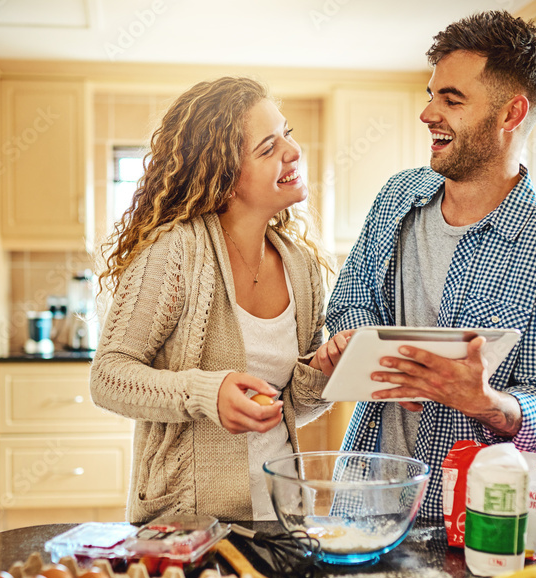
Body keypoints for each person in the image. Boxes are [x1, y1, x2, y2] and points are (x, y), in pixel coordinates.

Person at [326, 11, 536, 521]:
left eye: (451, 99)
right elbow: (349, 299)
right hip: (362, 497)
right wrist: (373, 357)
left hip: (473, 515)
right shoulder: (397, 198)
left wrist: (487, 400)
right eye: (431, 95)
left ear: (511, 114)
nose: (427, 113)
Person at [90, 76, 351, 523]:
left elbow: (290, 411)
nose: (292, 152)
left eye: (286, 134)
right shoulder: (175, 253)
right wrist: (207, 394)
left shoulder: (301, 267)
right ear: (225, 179)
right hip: (186, 523)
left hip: (282, 517)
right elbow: (108, 377)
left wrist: (320, 374)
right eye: (268, 149)